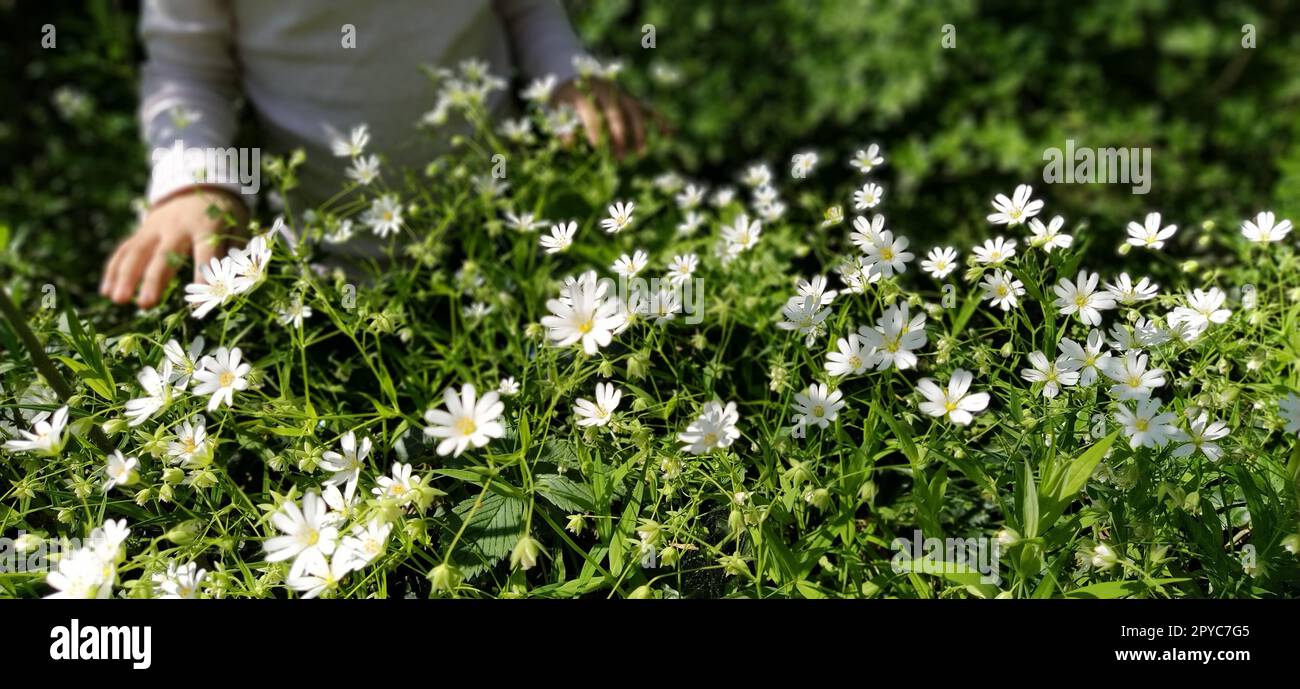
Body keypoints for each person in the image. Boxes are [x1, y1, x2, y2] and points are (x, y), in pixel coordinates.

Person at [100, 0, 650, 308]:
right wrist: (198, 182)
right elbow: (190, 71)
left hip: (502, 230)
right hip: (324, 266)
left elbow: (529, 10)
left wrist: (568, 79)